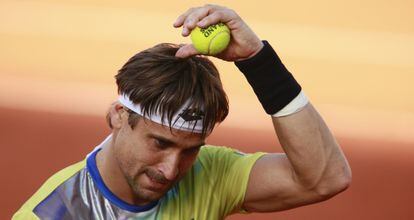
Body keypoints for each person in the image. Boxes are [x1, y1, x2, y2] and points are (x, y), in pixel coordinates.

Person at [13, 4, 351, 220]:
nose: (172, 169)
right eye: (159, 143)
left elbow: (325, 178)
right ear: (118, 116)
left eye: (191, 149)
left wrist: (256, 61)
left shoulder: (210, 174)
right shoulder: (53, 215)